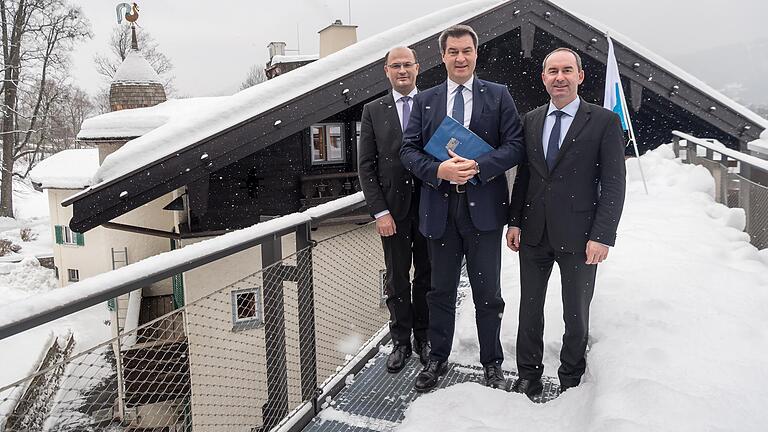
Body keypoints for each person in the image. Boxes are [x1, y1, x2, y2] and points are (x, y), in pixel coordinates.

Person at [400, 25, 525, 392]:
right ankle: (437, 358)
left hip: (483, 210)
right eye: (453, 52)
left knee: (489, 294)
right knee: (440, 291)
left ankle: (492, 364)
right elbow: (408, 151)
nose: (460, 58)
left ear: (476, 53)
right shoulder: (425, 101)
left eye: (466, 51)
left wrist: (478, 168)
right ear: (442, 57)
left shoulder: (498, 95)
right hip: (439, 211)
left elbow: (515, 145)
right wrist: (439, 170)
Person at [506, 47, 626, 399]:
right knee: (529, 308)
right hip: (533, 232)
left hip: (580, 236)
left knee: (575, 312)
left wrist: (602, 235)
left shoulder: (603, 121)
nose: (560, 77)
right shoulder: (531, 119)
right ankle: (528, 374)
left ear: (580, 76)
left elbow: (615, 183)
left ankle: (571, 376)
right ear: (544, 78)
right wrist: (514, 222)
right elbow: (524, 176)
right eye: (552, 71)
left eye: (567, 70)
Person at [358, 46, 431, 373]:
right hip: (394, 212)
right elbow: (366, 167)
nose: (402, 70)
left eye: (407, 65)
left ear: (417, 68)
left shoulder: (434, 103)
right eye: (395, 66)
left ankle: (424, 337)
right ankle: (401, 340)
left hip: (431, 206)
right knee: (397, 279)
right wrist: (380, 212)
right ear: (386, 71)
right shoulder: (373, 111)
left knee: (428, 277)